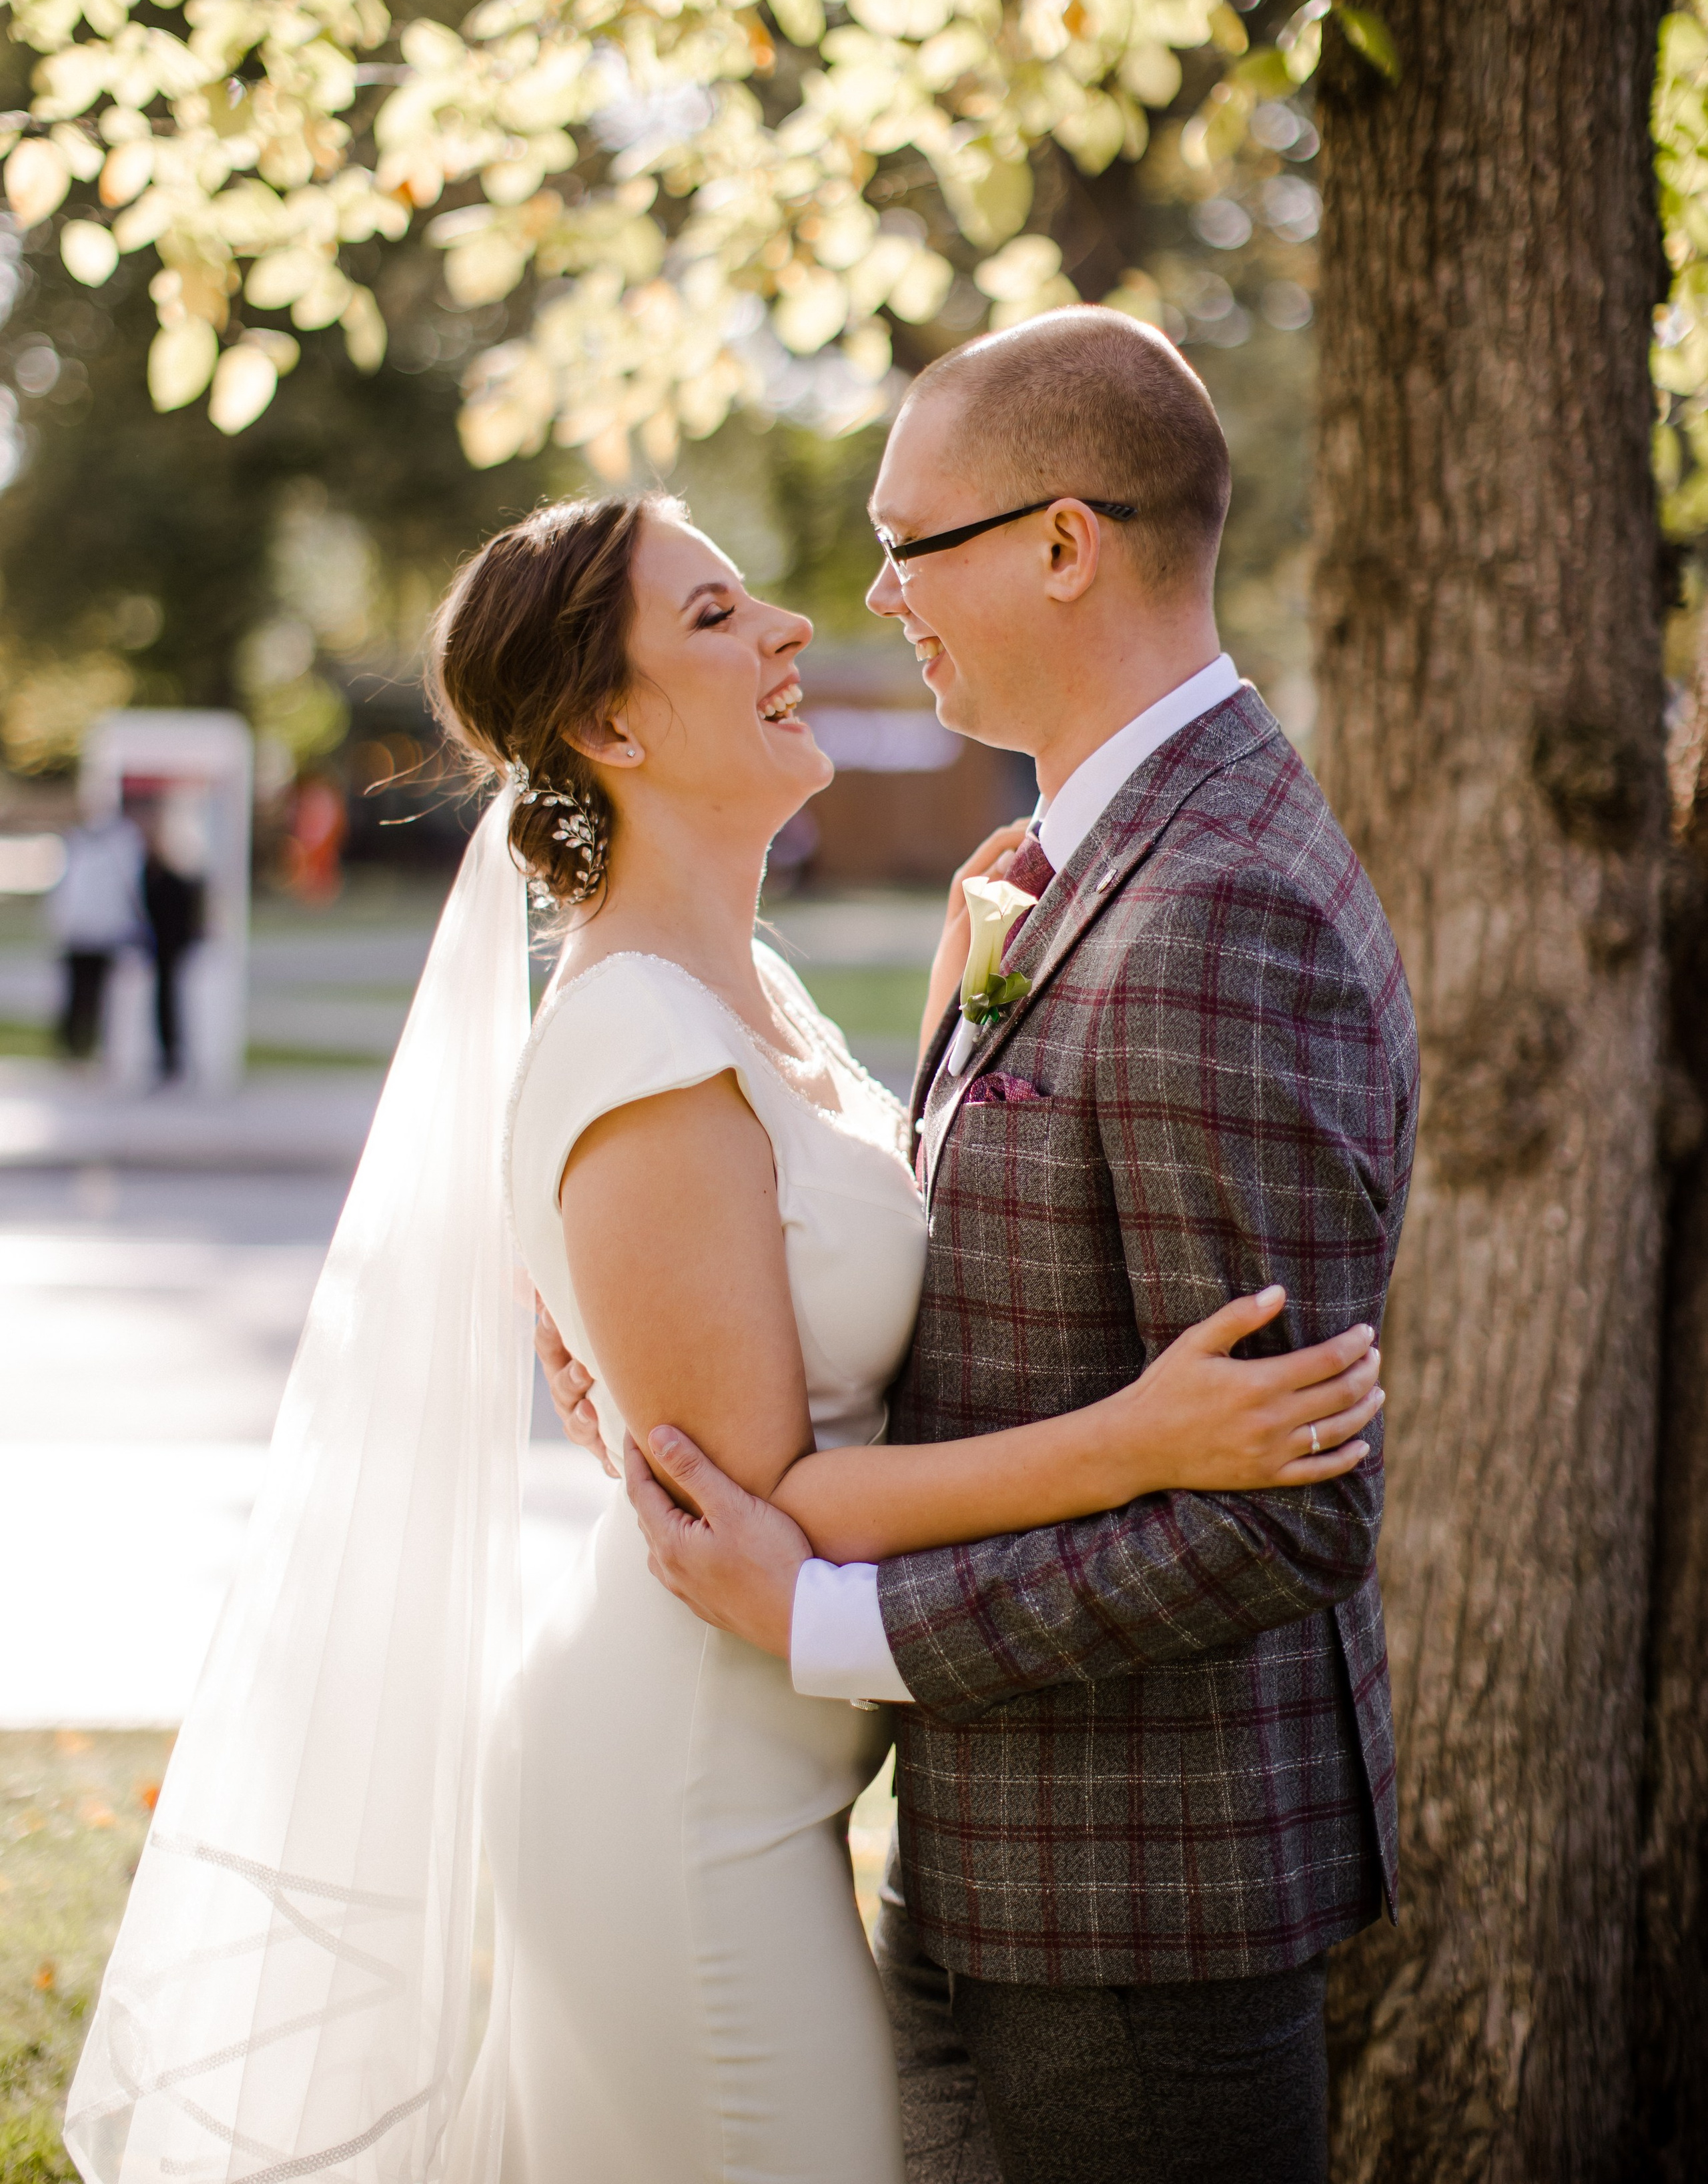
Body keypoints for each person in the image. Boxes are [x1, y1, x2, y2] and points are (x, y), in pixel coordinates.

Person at [64, 330, 1396, 2184]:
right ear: (609, 728)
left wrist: (954, 1029)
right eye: (721, 613)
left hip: (894, 1812)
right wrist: (1133, 1443)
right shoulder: (637, 1040)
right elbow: (759, 1479)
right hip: (682, 1796)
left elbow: (896, 1276)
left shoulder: (795, 982)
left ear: (1066, 543)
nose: (810, 620)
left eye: (900, 543)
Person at [558, 308, 1419, 2184]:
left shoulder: (1219, 907)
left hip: (1140, 1910)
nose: (873, 599)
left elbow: (1285, 1508)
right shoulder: (1066, 868)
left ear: (1059, 541)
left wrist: (826, 1622)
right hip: (990, 1867)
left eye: (911, 543)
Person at [47, 802, 144, 1060]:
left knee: (99, 995)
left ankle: (93, 1047)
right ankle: (72, 1048)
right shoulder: (77, 845)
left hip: (103, 934)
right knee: (75, 993)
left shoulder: (121, 845)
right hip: (78, 932)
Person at [139, 811, 205, 1079]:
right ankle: (166, 1055)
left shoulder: (174, 882)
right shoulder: (151, 877)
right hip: (160, 948)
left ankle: (173, 1056)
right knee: (163, 1003)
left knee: (170, 1002)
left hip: (170, 949)